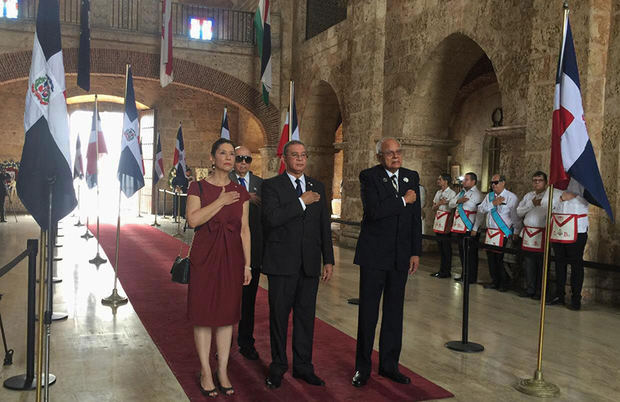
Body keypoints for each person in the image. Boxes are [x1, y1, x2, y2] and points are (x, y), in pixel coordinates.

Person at [262, 140, 334, 389]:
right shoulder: (271, 186)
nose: (301, 160)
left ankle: (304, 367)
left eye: (304, 155)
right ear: (285, 159)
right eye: (295, 155)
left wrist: (329, 259)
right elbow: (272, 219)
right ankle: (278, 366)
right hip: (281, 265)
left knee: (305, 319)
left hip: (310, 265)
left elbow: (324, 225)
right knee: (279, 319)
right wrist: (301, 202)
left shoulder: (318, 186)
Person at [352, 138, 422, 388]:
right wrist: (403, 201)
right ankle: (362, 368)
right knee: (368, 313)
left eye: (398, 152)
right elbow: (374, 211)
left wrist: (415, 251)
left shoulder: (411, 177)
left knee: (394, 313)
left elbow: (415, 218)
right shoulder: (369, 177)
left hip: (400, 257)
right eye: (389, 153)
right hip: (374, 256)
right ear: (380, 156)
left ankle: (390, 365)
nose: (395, 157)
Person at [185, 138, 252, 398]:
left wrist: (248, 264)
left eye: (231, 155)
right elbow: (193, 220)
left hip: (232, 258)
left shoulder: (241, 191)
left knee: (226, 316)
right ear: (212, 158)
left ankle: (222, 370)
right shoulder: (197, 187)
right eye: (222, 153)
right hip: (204, 257)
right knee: (203, 315)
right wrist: (221, 202)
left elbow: (245, 230)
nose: (228, 158)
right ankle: (205, 370)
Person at [229, 146, 264, 360]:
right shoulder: (224, 179)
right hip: (229, 246)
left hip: (254, 249)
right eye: (239, 158)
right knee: (226, 299)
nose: (243, 162)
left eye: (247, 159)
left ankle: (246, 342)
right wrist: (246, 196)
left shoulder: (261, 184)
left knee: (249, 301)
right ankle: (222, 343)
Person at [549, 180, 589, 310]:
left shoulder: (583, 181)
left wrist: (574, 196)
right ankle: (559, 295)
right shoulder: (556, 181)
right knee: (559, 263)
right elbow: (548, 205)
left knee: (576, 264)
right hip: (559, 227)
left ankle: (576, 298)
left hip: (577, 229)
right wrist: (561, 198)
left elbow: (592, 199)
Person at [475, 174, 520, 292]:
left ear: (503, 182)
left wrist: (516, 231)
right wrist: (493, 204)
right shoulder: (489, 197)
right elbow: (480, 209)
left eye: (496, 182)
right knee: (491, 258)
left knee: (501, 259)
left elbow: (515, 216)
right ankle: (494, 281)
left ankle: (504, 283)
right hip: (491, 233)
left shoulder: (511, 197)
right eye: (492, 183)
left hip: (503, 232)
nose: (493, 185)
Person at [516, 171, 555, 298]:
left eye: (540, 180)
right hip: (528, 233)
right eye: (534, 180)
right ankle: (530, 288)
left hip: (542, 233)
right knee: (528, 263)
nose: (537, 183)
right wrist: (532, 204)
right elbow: (519, 212)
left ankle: (540, 290)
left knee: (541, 264)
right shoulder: (529, 196)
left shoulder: (549, 196)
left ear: (545, 182)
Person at [449, 172, 483, 283]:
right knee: (462, 252)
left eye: (466, 180)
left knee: (471, 254)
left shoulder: (478, 194)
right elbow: (451, 204)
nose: (464, 182)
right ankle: (464, 274)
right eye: (464, 180)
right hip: (459, 227)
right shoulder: (461, 193)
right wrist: (459, 201)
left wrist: (475, 228)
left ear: (473, 181)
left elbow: (480, 213)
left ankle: (471, 277)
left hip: (470, 228)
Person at [431, 173, 457, 278]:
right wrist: (439, 204)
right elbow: (433, 207)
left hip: (446, 220)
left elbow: (452, 206)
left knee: (446, 247)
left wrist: (444, 203)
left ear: (446, 181)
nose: (438, 181)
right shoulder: (438, 192)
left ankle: (447, 270)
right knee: (440, 246)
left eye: (440, 179)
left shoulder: (452, 193)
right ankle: (441, 269)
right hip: (439, 219)